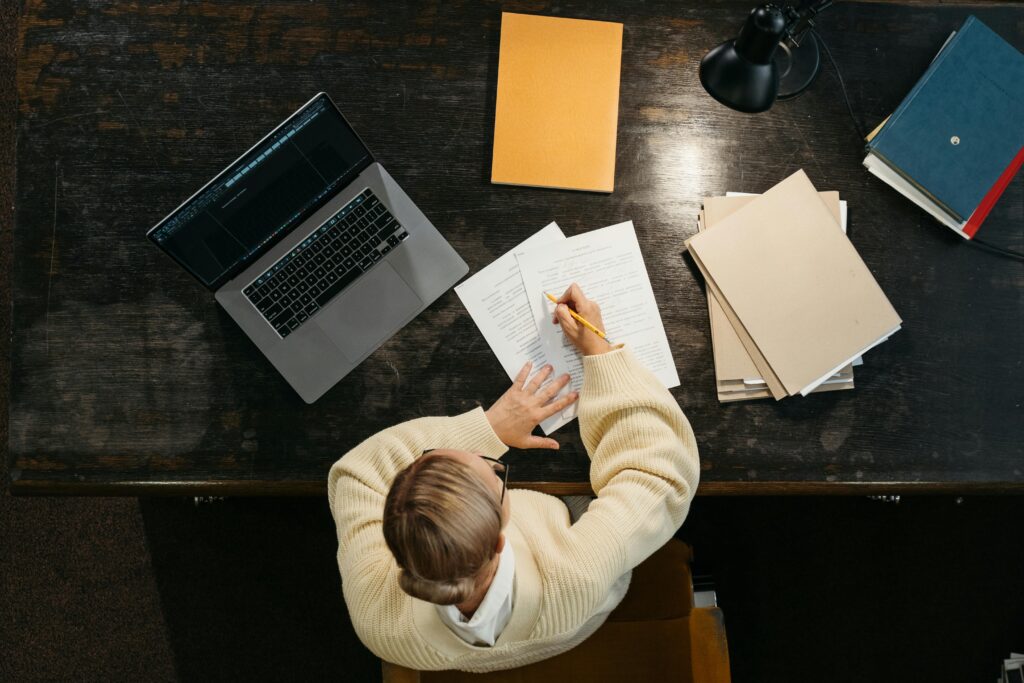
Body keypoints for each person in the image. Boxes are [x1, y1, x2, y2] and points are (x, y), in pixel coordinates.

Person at [328, 284, 699, 672]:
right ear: (501, 535)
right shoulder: (575, 571)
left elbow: (358, 473)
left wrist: (489, 427)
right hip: (575, 614)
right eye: (493, 471)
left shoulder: (375, 622)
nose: (481, 454)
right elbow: (658, 471)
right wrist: (600, 353)